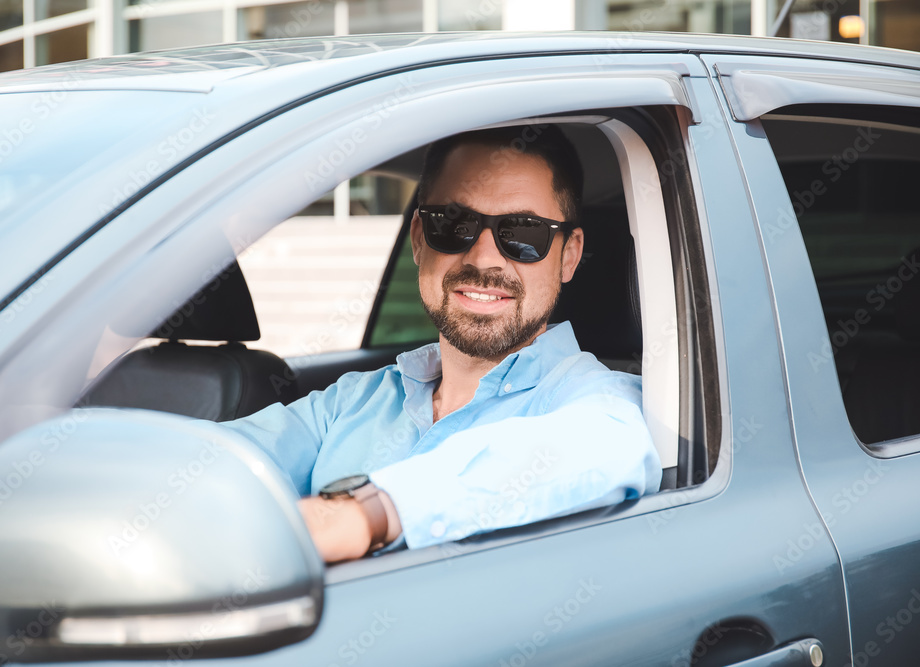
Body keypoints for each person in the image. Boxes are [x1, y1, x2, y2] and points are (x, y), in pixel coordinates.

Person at [219, 124, 662, 562]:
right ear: (418, 239)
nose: (484, 258)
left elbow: (606, 448)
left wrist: (366, 516)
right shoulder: (352, 402)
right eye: (453, 224)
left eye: (524, 233)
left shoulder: (596, 403)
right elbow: (213, 465)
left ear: (569, 255)